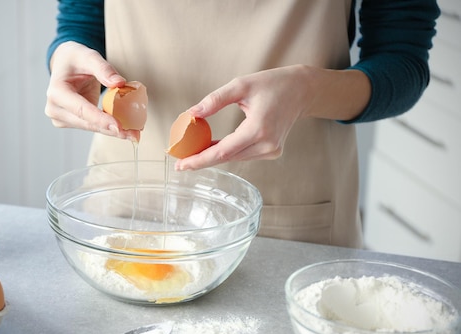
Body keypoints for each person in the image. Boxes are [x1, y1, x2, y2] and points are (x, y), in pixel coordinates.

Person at [45, 0, 440, 248]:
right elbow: (84, 19)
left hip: (289, 209)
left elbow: (402, 60)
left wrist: (308, 89)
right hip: (123, 197)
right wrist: (66, 54)